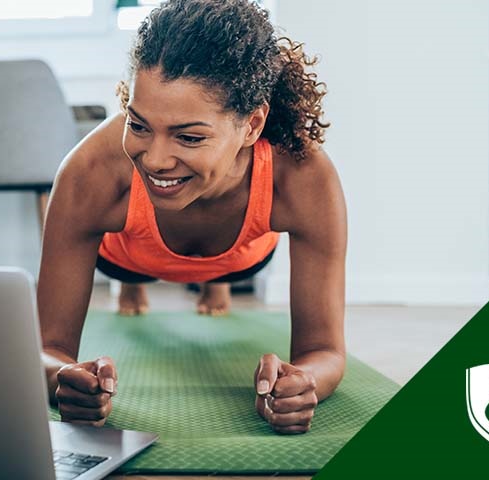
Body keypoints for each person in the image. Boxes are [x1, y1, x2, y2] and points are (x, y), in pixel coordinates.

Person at [39, 0, 346, 435]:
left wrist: (305, 380)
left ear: (252, 126)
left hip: (241, 255)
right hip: (127, 255)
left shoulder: (304, 177)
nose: (156, 159)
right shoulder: (89, 172)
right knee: (141, 229)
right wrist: (59, 378)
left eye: (188, 136)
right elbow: (47, 348)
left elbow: (325, 350)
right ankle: (135, 285)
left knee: (213, 245)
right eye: (139, 124)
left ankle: (212, 278)